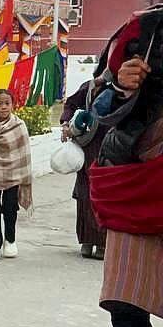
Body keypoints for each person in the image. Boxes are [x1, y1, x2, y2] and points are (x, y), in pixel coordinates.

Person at [88, 6, 163, 327]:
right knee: (123, 303)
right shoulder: (141, 30)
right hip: (139, 181)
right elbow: (93, 105)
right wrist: (120, 85)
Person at [61, 65, 110, 260]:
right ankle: (86, 241)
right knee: (84, 195)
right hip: (86, 148)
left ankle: (102, 242)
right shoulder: (87, 88)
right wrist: (66, 124)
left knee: (103, 195)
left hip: (109, 149)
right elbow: (70, 105)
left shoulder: (118, 91)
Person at [0, 89, 32, 260]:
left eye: (7, 103)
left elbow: (24, 152)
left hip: (14, 173)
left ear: (12, 105)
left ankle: (10, 240)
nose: (3, 107)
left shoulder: (19, 126)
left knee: (10, 206)